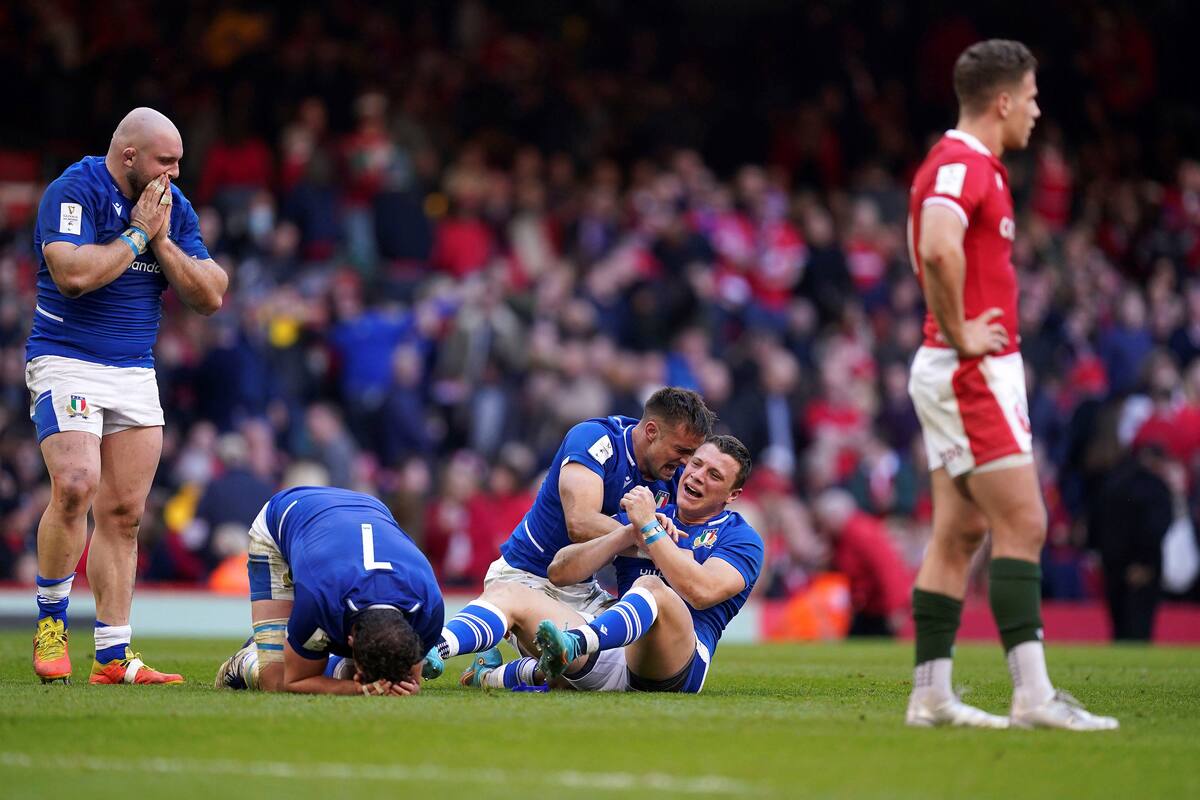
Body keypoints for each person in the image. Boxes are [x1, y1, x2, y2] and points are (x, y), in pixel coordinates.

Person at [906, 41, 1116, 730]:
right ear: (1002, 101)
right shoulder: (963, 164)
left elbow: (938, 247)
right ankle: (1032, 695)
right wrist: (962, 331)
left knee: (959, 533)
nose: (1035, 109)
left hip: (964, 369)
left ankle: (932, 695)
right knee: (1023, 521)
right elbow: (936, 244)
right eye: (1029, 97)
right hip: (969, 371)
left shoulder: (969, 165)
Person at [29, 107, 229, 685]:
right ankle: (51, 624)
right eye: (167, 161)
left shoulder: (173, 206)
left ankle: (113, 657)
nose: (175, 174)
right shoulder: (73, 191)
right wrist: (137, 234)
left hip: (133, 370)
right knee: (74, 485)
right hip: (66, 359)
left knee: (124, 514)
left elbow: (211, 293)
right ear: (129, 157)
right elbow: (71, 273)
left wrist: (161, 241)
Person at [431, 436, 762, 695]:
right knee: (509, 591)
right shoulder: (650, 514)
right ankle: (436, 653)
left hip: (677, 668)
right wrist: (626, 535)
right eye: (697, 464)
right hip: (614, 645)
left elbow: (701, 591)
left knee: (651, 589)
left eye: (714, 475)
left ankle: (572, 645)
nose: (698, 476)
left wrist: (648, 531)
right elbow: (559, 571)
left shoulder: (740, 537)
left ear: (732, 495)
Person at [213, 486, 444, 696]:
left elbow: (410, 681)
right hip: (286, 515)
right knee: (275, 680)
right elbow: (295, 681)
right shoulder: (320, 601)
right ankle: (244, 661)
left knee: (352, 671)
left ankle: (292, 646)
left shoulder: (429, 609)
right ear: (350, 641)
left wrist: (406, 686)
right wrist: (357, 688)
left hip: (363, 510)